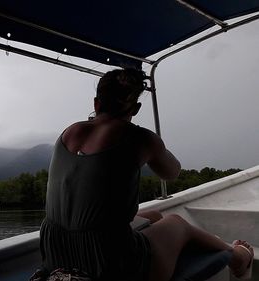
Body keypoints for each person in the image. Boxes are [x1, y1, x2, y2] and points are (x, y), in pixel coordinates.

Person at [35, 68, 254, 281]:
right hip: (111, 265)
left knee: (154, 217)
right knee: (176, 222)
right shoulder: (140, 138)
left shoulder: (69, 132)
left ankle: (200, 244)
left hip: (55, 253)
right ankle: (237, 256)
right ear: (136, 108)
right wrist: (154, 148)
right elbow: (172, 173)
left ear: (96, 102)